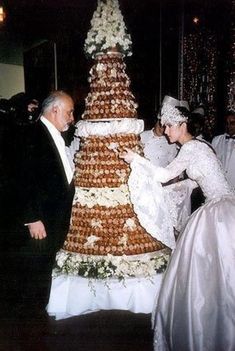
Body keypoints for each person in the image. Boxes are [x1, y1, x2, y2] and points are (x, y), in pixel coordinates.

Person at [120, 98, 235, 350]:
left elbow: (162, 175)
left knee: (213, 270)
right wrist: (174, 190)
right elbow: (200, 181)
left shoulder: (191, 148)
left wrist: (136, 160)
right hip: (224, 205)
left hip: (218, 209)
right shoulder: (200, 146)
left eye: (170, 125)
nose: (167, 130)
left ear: (182, 125)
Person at [5, 90, 75, 319]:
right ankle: (29, 324)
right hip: (40, 221)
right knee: (33, 273)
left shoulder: (53, 134)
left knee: (43, 270)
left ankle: (38, 315)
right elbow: (19, 179)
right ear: (55, 110)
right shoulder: (30, 135)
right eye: (69, 112)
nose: (72, 117)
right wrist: (32, 217)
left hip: (53, 219)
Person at [212, 110, 235, 191]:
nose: (228, 126)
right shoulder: (216, 140)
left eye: (232, 123)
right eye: (226, 123)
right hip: (220, 186)